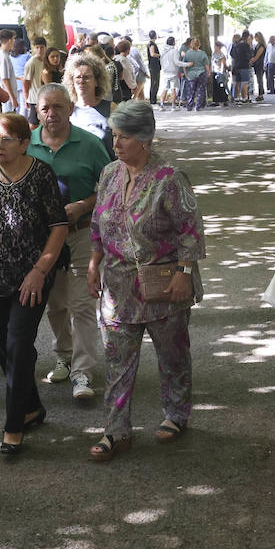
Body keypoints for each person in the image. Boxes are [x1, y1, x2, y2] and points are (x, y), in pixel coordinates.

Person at [85, 101, 204, 460]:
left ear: (144, 140)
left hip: (163, 283)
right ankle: (115, 431)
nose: (116, 144)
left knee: (173, 355)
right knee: (117, 361)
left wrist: (184, 273)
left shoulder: (168, 177)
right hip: (118, 287)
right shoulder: (109, 173)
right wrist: (94, 263)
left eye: (123, 137)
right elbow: (97, 223)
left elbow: (190, 230)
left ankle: (176, 413)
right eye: (114, 136)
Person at [0, 113, 69, 456]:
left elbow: (59, 226)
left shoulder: (41, 175)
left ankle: (14, 424)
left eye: (6, 139)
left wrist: (40, 270)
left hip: (31, 277)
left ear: (23, 142)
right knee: (3, 347)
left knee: (18, 345)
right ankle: (31, 407)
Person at [29, 84, 114, 402]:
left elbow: (110, 185)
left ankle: (82, 372)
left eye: (58, 107)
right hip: (44, 239)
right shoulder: (29, 145)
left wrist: (83, 205)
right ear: (37, 111)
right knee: (56, 302)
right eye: (45, 108)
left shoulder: (89, 144)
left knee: (81, 304)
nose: (51, 114)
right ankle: (64, 355)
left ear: (69, 109)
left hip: (80, 232)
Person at [64, 52, 113, 146]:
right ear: (72, 81)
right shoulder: (67, 110)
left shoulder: (112, 108)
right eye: (78, 77)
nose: (81, 81)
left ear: (97, 81)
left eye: (86, 77)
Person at [177, 38, 211, 111]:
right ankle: (198, 106)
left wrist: (186, 73)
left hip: (191, 74)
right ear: (199, 44)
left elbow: (185, 64)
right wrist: (208, 72)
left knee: (190, 90)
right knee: (200, 90)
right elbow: (206, 65)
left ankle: (189, 105)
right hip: (201, 73)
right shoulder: (202, 53)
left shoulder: (188, 53)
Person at [22, 36, 48, 125]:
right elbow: (26, 82)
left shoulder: (47, 60)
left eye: (42, 47)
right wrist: (26, 98)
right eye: (37, 47)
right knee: (33, 123)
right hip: (34, 98)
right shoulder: (31, 63)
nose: (40, 50)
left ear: (46, 48)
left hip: (46, 97)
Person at [229, 32, 254, 105]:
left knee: (237, 82)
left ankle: (236, 98)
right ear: (247, 37)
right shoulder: (245, 45)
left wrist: (236, 59)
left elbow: (231, 53)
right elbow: (249, 55)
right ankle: (244, 98)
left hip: (236, 65)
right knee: (244, 82)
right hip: (244, 65)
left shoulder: (235, 44)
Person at [250, 31, 267, 102]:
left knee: (259, 79)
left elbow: (257, 56)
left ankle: (261, 94)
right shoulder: (258, 45)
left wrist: (252, 61)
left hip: (259, 64)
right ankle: (260, 94)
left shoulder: (261, 46)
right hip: (257, 64)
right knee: (258, 79)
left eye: (255, 37)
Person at [145, 32, 162, 103]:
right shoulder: (152, 44)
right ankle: (153, 99)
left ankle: (153, 99)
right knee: (155, 82)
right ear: (155, 36)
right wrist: (159, 55)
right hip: (154, 66)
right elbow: (152, 54)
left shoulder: (150, 44)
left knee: (154, 82)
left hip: (153, 66)